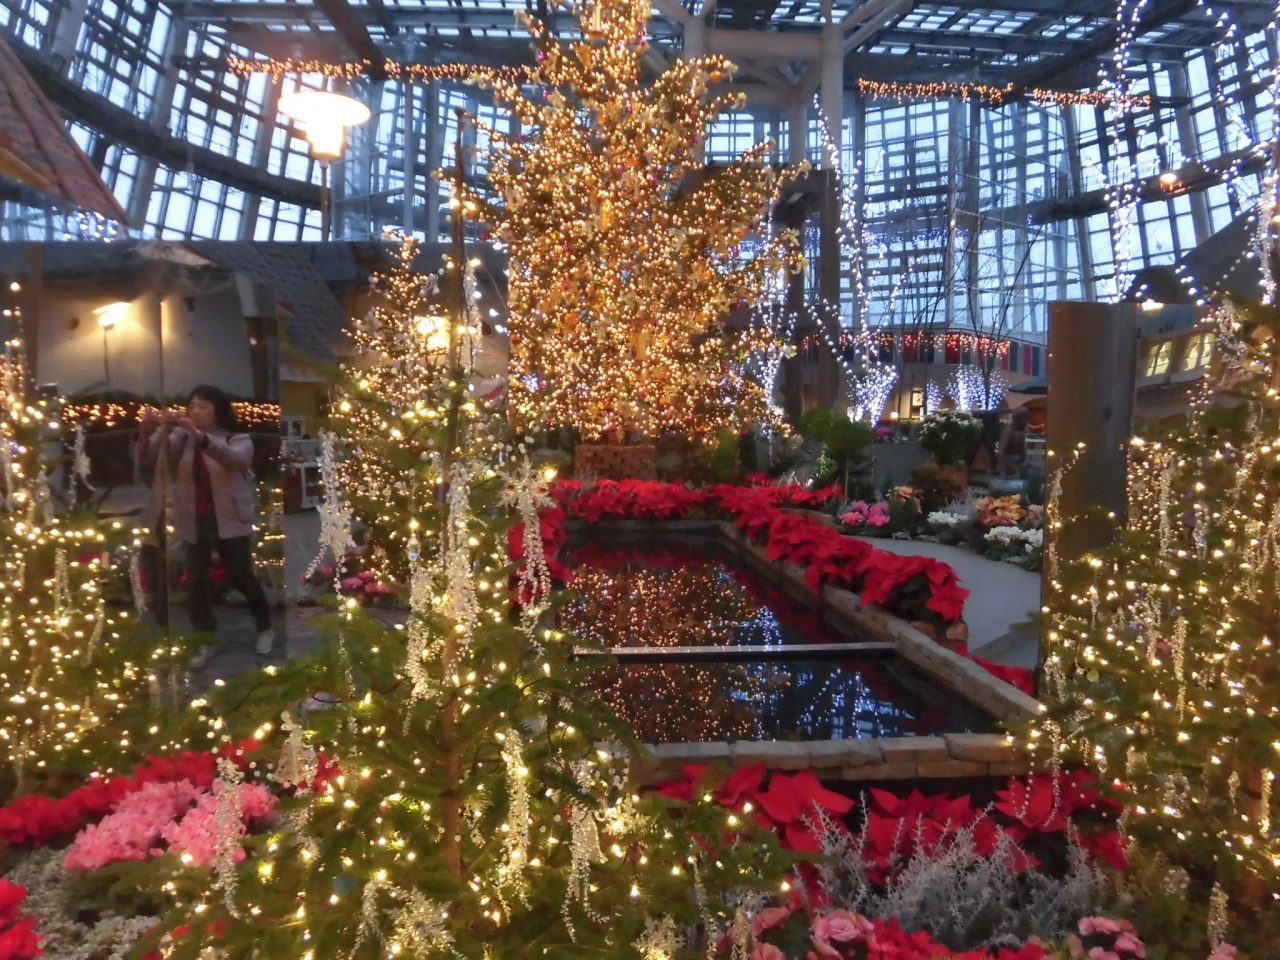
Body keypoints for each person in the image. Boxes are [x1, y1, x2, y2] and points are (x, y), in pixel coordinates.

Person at [142, 386, 274, 666]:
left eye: (203, 407)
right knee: (196, 582)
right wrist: (156, 428)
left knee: (241, 575)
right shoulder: (183, 436)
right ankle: (205, 639)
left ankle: (265, 626)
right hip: (194, 519)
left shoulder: (236, 437)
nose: (196, 412)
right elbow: (155, 455)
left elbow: (236, 460)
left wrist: (199, 436)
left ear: (218, 410)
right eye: (192, 406)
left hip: (230, 519)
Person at [996, 406, 1031, 477]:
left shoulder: (1021, 432)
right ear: (1018, 419)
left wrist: (1026, 461)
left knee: (1039, 469)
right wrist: (1003, 472)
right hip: (1009, 463)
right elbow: (1001, 452)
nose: (1027, 421)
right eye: (1025, 418)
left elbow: (1024, 450)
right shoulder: (1008, 432)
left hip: (1019, 462)